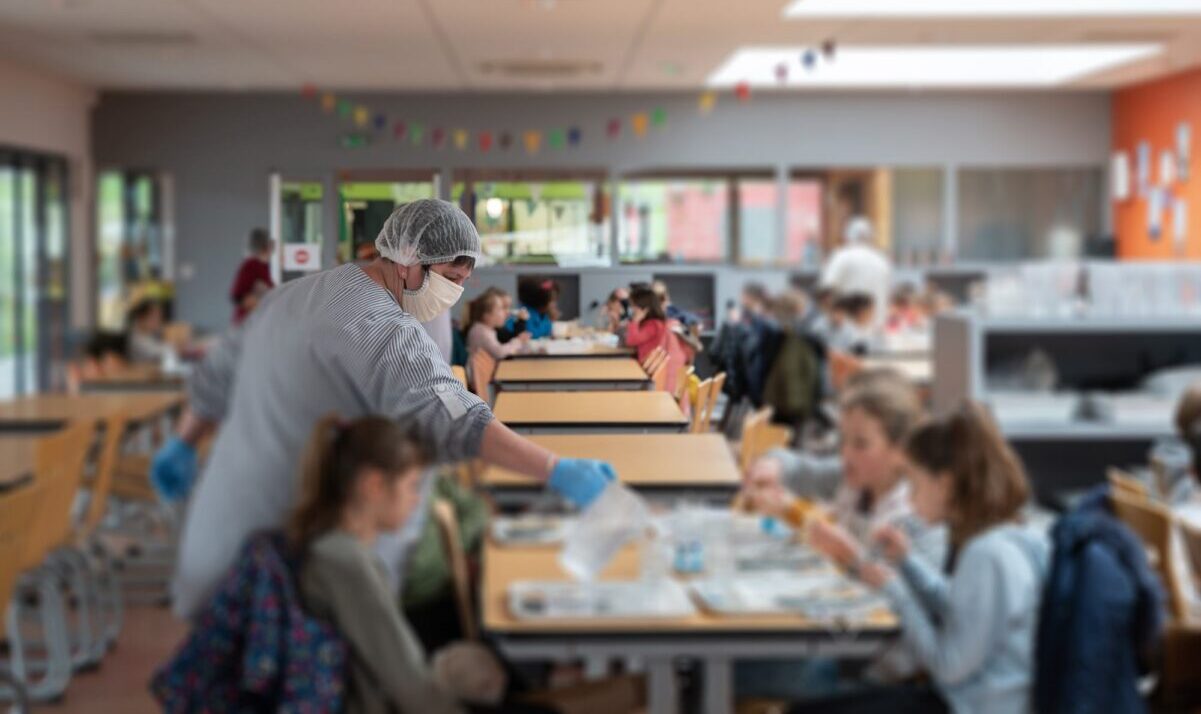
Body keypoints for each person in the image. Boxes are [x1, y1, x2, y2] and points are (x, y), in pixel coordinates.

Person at [153, 199, 616, 619]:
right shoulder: (377, 324)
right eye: (450, 280)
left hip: (221, 530)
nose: (453, 294)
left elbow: (216, 375)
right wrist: (555, 469)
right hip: (292, 556)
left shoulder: (294, 295)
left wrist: (182, 443)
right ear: (409, 260)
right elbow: (454, 418)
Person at [791, 403, 1047, 714]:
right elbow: (957, 608)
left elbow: (948, 663)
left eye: (914, 484)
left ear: (945, 484)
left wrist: (896, 591)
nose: (910, 500)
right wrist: (907, 562)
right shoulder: (1005, 536)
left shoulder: (987, 555)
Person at [293, 414, 542, 714]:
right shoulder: (348, 564)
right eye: (412, 486)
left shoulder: (329, 545)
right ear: (373, 485)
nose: (416, 500)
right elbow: (410, 686)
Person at [819, 217, 892, 330]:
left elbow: (826, 290)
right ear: (871, 237)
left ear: (848, 236)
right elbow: (889, 293)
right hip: (877, 326)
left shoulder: (841, 257)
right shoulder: (882, 260)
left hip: (847, 327)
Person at [624, 285, 685, 393]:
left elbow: (631, 341)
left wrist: (634, 321)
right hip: (647, 369)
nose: (631, 309)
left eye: (633, 306)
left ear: (642, 307)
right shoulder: (653, 323)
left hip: (648, 373)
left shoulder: (653, 325)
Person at [465, 291, 529, 361]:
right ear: (486, 315)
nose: (506, 313)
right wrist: (518, 341)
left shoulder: (487, 329)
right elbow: (499, 352)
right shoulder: (481, 332)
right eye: (500, 309)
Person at [230, 228, 275, 324]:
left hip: (260, 320)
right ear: (265, 246)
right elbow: (238, 296)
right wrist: (263, 305)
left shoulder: (265, 266)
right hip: (248, 322)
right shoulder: (251, 265)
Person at [126, 299, 170, 364]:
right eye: (154, 317)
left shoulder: (150, 333)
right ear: (142, 317)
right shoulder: (138, 338)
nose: (158, 321)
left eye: (160, 317)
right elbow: (163, 352)